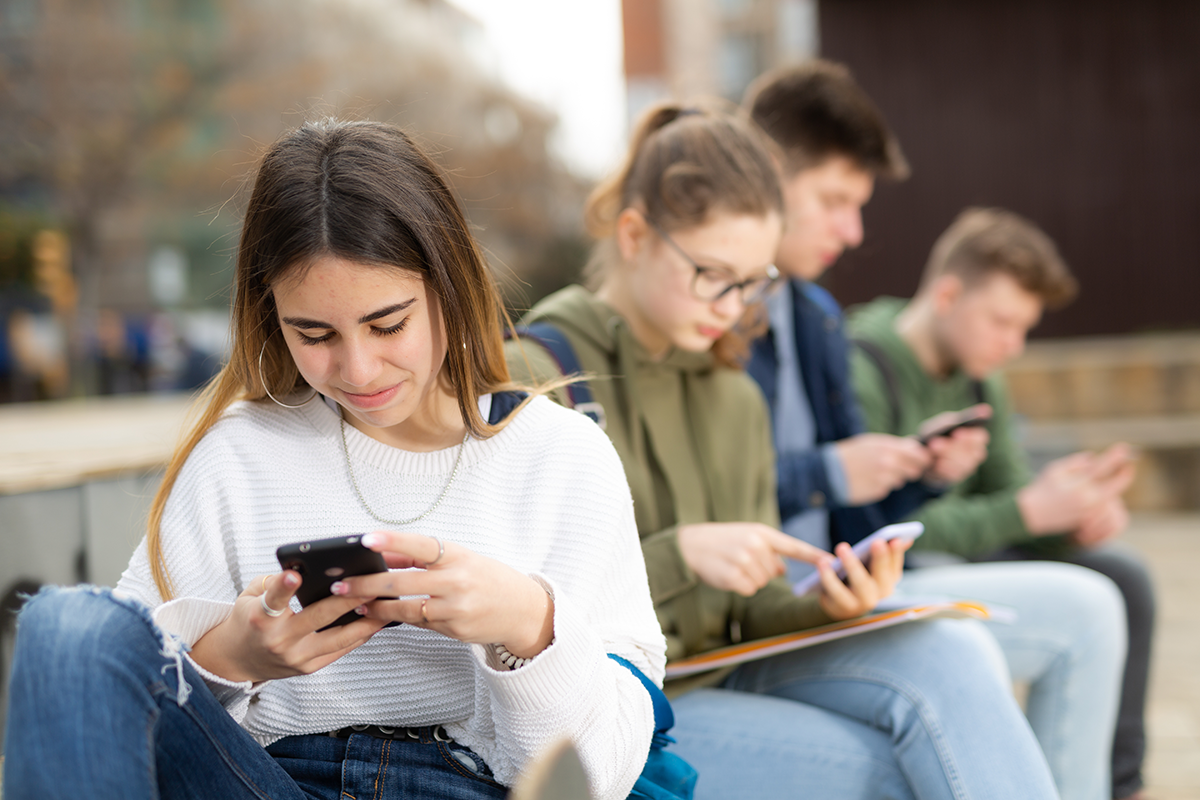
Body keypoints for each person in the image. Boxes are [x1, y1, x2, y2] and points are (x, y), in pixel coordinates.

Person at [2, 119, 667, 800]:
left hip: (467, 785)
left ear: (449, 283)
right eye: (313, 333)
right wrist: (238, 655)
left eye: (388, 324)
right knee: (66, 626)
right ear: (271, 316)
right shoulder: (236, 451)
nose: (357, 367)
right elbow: (128, 696)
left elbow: (600, 780)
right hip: (265, 781)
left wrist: (528, 623)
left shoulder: (563, 458)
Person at [505, 101, 1061, 800]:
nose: (734, 306)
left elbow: (755, 607)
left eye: (754, 282)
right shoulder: (536, 375)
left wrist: (827, 602)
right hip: (623, 704)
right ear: (635, 235)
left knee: (954, 651)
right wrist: (682, 553)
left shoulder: (732, 392)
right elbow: (508, 615)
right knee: (894, 771)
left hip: (730, 659)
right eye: (714, 274)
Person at [742, 61, 1128, 800]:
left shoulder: (816, 318)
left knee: (1106, 596)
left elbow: (855, 517)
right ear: (762, 174)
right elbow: (724, 496)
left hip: (839, 587)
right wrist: (832, 473)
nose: (853, 232)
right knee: (1000, 641)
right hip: (765, 612)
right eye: (834, 201)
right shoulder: (730, 322)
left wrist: (918, 474)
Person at [846, 206, 1156, 800]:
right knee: (948, 575)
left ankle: (1122, 786)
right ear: (948, 293)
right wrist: (1027, 513)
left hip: (971, 549)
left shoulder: (982, 377)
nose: (1013, 344)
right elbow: (876, 528)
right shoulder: (862, 365)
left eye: (1023, 328)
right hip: (898, 569)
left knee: (1124, 575)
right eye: (1001, 322)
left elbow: (1012, 496)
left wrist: (1070, 513)